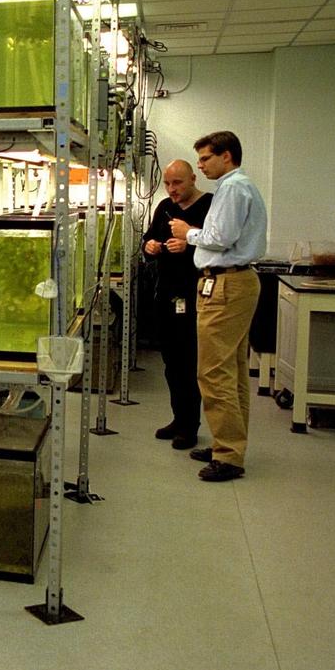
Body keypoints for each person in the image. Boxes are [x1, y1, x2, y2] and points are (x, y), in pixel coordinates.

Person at [168, 131, 268, 482]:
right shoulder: (239, 187)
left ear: (227, 157)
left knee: (213, 371)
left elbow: (219, 238)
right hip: (234, 281)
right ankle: (230, 444)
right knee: (233, 369)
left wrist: (186, 233)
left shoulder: (232, 188)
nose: (202, 165)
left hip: (226, 283)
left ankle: (228, 454)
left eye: (206, 159)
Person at [143, 160, 212, 451]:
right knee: (171, 361)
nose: (171, 189)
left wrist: (189, 244)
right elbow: (149, 237)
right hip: (166, 292)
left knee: (190, 361)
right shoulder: (163, 207)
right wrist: (150, 247)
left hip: (195, 294)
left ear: (193, 179)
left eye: (177, 183)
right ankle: (178, 418)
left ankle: (190, 425)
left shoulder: (210, 206)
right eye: (168, 184)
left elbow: (218, 245)